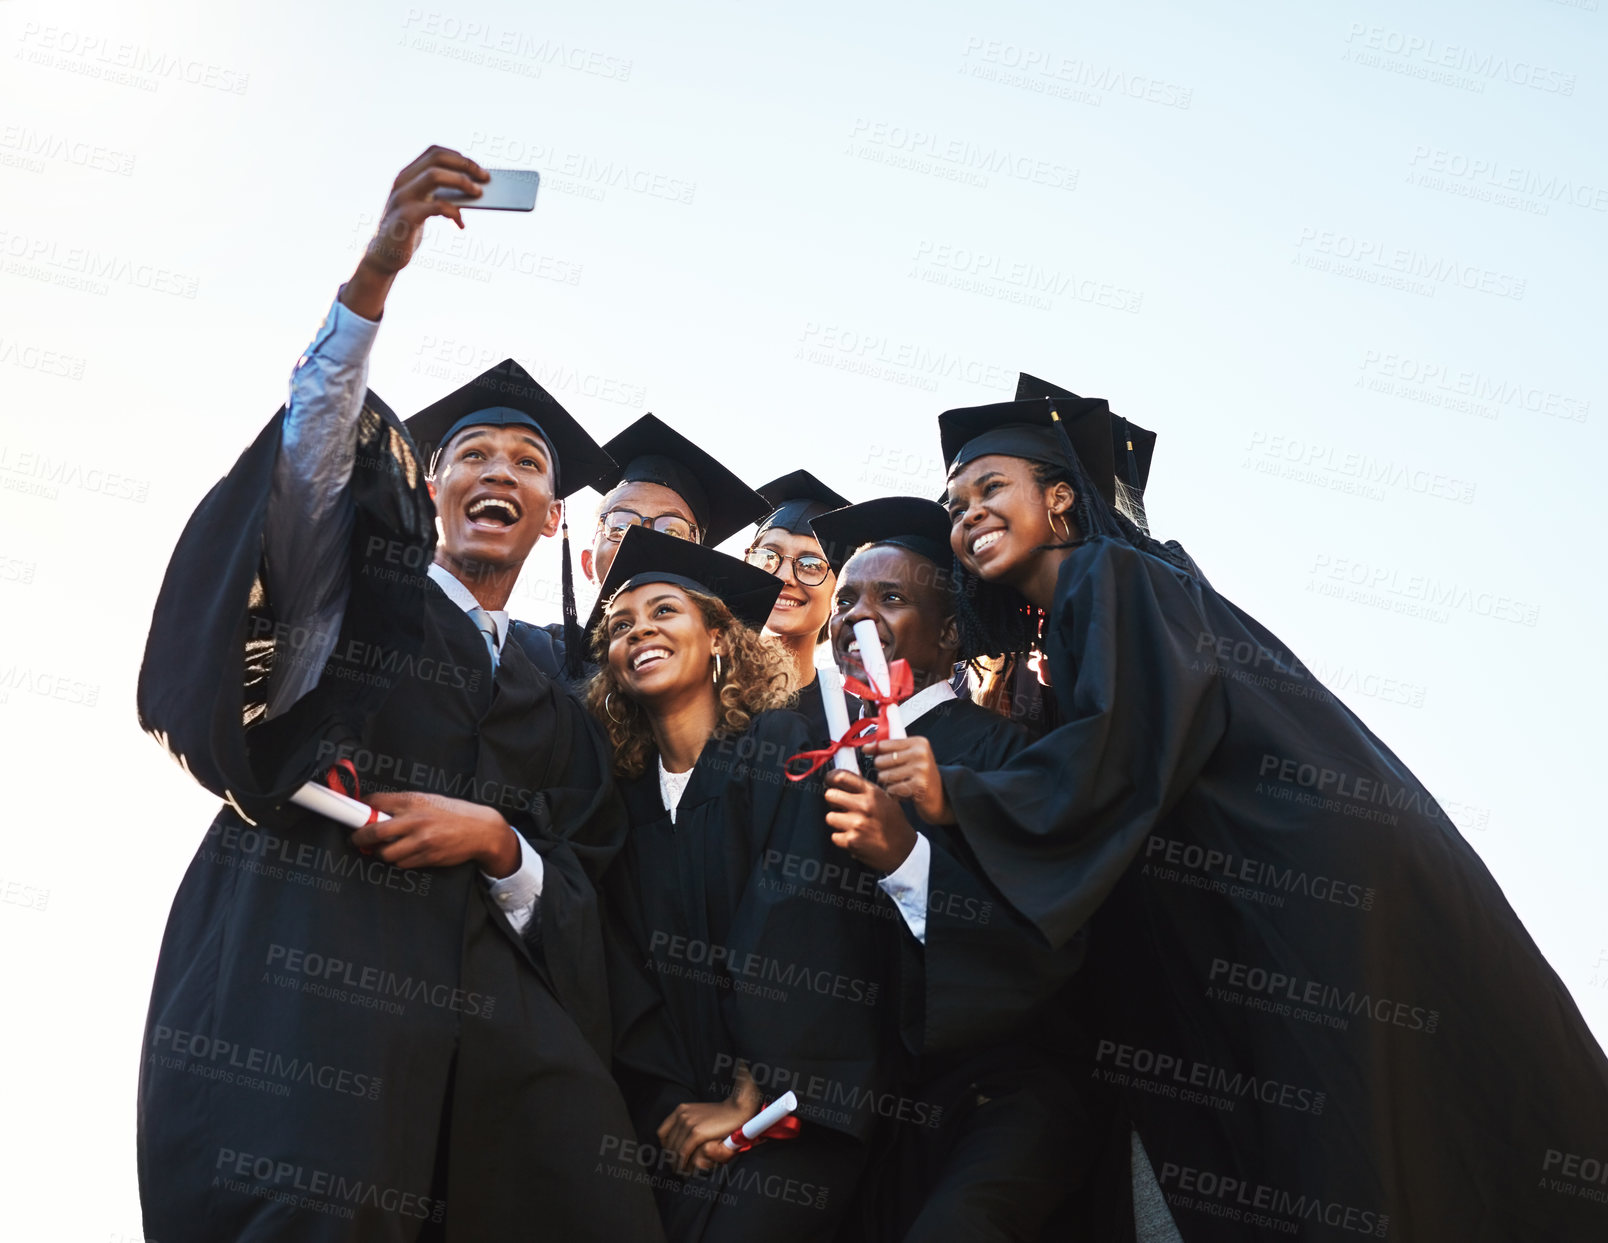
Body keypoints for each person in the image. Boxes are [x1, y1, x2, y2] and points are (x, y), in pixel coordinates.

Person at [869, 394, 1608, 1240]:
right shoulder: (1111, 595)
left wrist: (958, 791)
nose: (969, 516)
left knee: (1323, 1131)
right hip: (1311, 861)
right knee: (1375, 1120)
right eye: (955, 507)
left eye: (990, 487)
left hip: (1294, 868)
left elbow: (1118, 749)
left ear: (1062, 495)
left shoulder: (1108, 578)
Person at [135, 146, 664, 1241]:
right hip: (312, 990)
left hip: (491, 1035)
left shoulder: (559, 698)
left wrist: (500, 845)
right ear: (431, 485)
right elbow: (306, 472)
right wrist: (374, 278)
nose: (502, 473)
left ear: (555, 516)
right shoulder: (353, 599)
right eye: (473, 452)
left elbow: (590, 872)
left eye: (530, 463)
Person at [587, 527, 893, 1242]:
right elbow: (622, 974)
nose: (641, 632)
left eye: (665, 612)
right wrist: (667, 1104)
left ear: (720, 634)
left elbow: (805, 926)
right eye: (622, 625)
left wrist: (756, 1094)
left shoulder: (780, 752)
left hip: (798, 1115)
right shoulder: (621, 805)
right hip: (678, 1124)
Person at [810, 497, 1094, 1241]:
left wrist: (907, 857)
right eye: (845, 601)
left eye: (890, 597)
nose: (855, 617)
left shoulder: (1012, 753)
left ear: (947, 633)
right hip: (864, 1098)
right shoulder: (806, 750)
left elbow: (1050, 932)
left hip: (1001, 1091)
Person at [745, 470, 852, 741]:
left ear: (839, 589)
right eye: (768, 556)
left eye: (811, 565)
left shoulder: (855, 723)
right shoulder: (701, 698)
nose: (783, 576)